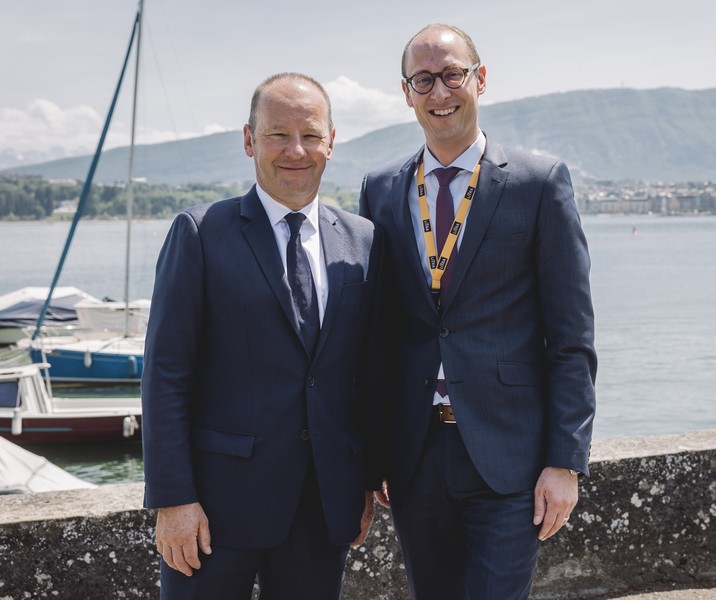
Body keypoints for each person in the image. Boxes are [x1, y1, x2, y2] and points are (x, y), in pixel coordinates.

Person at [359, 24, 597, 599]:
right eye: (424, 80)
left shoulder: (539, 183)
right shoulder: (381, 188)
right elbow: (375, 339)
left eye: (452, 75)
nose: (440, 92)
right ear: (407, 92)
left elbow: (572, 338)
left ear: (479, 79)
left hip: (509, 455)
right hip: (414, 458)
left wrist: (566, 462)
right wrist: (370, 462)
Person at [142, 72, 384, 599]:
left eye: (311, 134)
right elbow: (165, 376)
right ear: (249, 140)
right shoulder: (201, 233)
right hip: (213, 513)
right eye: (278, 134)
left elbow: (362, 375)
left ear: (332, 141)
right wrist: (173, 500)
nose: (295, 150)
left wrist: (363, 481)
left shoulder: (363, 240)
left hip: (323, 508)